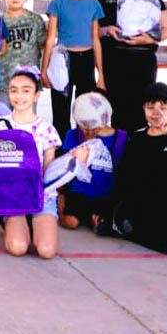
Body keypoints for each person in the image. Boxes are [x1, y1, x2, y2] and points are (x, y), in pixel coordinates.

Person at [0, 69, 62, 259]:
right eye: (13, 90)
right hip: (10, 196)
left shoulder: (46, 130)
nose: (19, 96)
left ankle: (36, 225)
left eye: (26, 90)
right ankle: (12, 223)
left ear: (36, 95)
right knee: (18, 248)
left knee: (46, 250)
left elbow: (50, 173)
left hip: (39, 195)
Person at [96, 83, 167, 255]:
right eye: (150, 107)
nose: (156, 112)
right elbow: (124, 177)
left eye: (163, 107)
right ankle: (124, 225)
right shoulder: (137, 137)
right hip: (139, 206)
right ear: (143, 109)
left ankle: (129, 231)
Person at [95, 0, 167, 132]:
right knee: (117, 109)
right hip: (114, 61)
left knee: (143, 106)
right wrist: (106, 30)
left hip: (143, 61)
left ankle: (139, 152)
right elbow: (92, 32)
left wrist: (151, 38)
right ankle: (120, 154)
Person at [42, 0, 106, 141]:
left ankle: (85, 151)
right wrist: (44, 69)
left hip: (86, 60)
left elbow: (95, 39)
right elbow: (50, 38)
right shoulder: (57, 2)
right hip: (63, 60)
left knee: (86, 112)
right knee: (61, 112)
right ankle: (61, 153)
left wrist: (100, 74)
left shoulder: (93, 4)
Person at [57, 92, 121, 231]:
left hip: (105, 194)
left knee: (105, 223)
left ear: (104, 120)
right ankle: (76, 215)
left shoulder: (120, 138)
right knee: (71, 222)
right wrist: (60, 195)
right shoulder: (73, 135)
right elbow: (63, 167)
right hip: (79, 192)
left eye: (93, 128)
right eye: (83, 127)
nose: (88, 132)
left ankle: (91, 218)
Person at [0, 0, 46, 106]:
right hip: (3, 80)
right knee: (3, 120)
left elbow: (44, 46)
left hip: (29, 80)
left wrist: (44, 72)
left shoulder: (35, 20)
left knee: (27, 120)